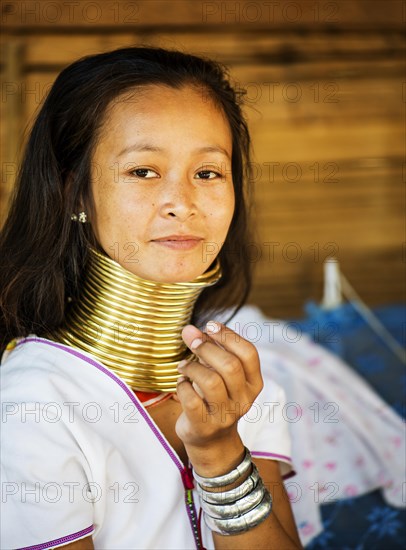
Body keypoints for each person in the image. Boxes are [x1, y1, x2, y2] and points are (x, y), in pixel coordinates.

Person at [0, 47, 302, 549]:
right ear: (75, 193)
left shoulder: (239, 379)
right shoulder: (31, 405)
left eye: (208, 173)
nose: (182, 204)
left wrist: (221, 450)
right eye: (143, 171)